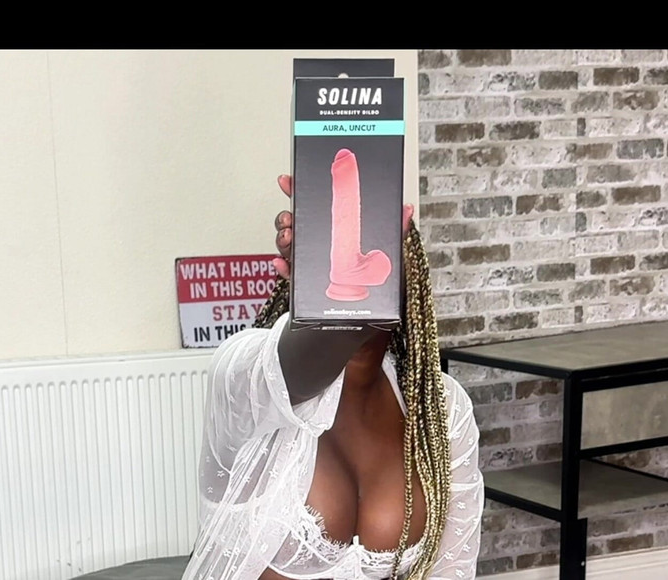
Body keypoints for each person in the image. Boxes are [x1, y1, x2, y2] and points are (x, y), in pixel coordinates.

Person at [182, 175, 483, 580]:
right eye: (334, 251)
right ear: (298, 274)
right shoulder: (244, 373)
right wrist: (342, 294)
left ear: (410, 270)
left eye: (374, 244)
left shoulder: (441, 408)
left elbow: (452, 568)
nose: (355, 260)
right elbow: (299, 370)